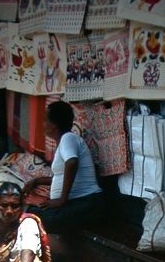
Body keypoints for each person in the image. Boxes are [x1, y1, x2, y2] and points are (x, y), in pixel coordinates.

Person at [23, 100, 104, 233]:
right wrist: (36, 181)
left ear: (54, 124)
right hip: (79, 204)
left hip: (87, 203)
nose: (43, 125)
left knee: (33, 216)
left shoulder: (68, 138)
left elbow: (72, 162)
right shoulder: (65, 143)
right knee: (33, 214)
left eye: (45, 121)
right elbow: (61, 176)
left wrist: (61, 199)